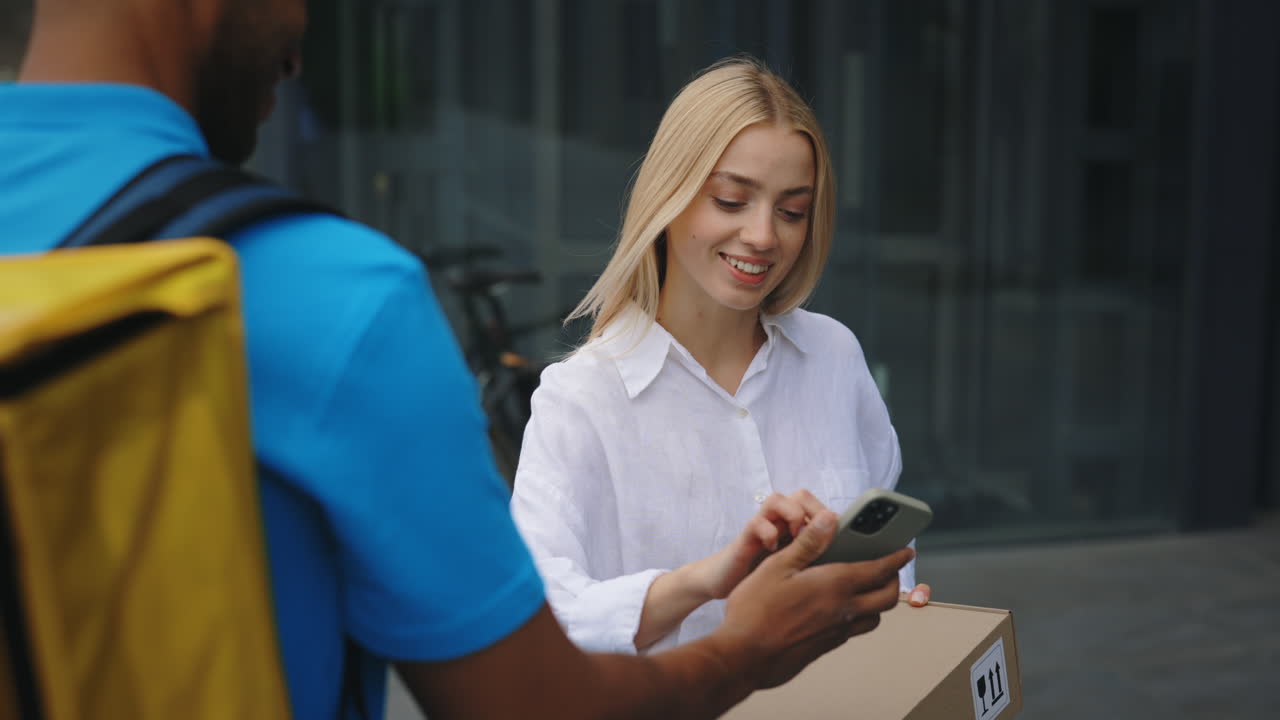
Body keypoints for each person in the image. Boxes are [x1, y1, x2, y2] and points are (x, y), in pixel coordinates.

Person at [0, 2, 915, 719]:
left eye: (790, 209)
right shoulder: (339, 301)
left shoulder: (830, 356)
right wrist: (743, 644)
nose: (297, 47)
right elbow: (535, 702)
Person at [510, 57, 932, 654]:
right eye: (731, 200)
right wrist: (709, 578)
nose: (764, 235)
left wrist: (893, 611)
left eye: (792, 211)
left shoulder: (834, 357)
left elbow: (883, 563)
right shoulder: (580, 400)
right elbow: (545, 619)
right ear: (670, 196)